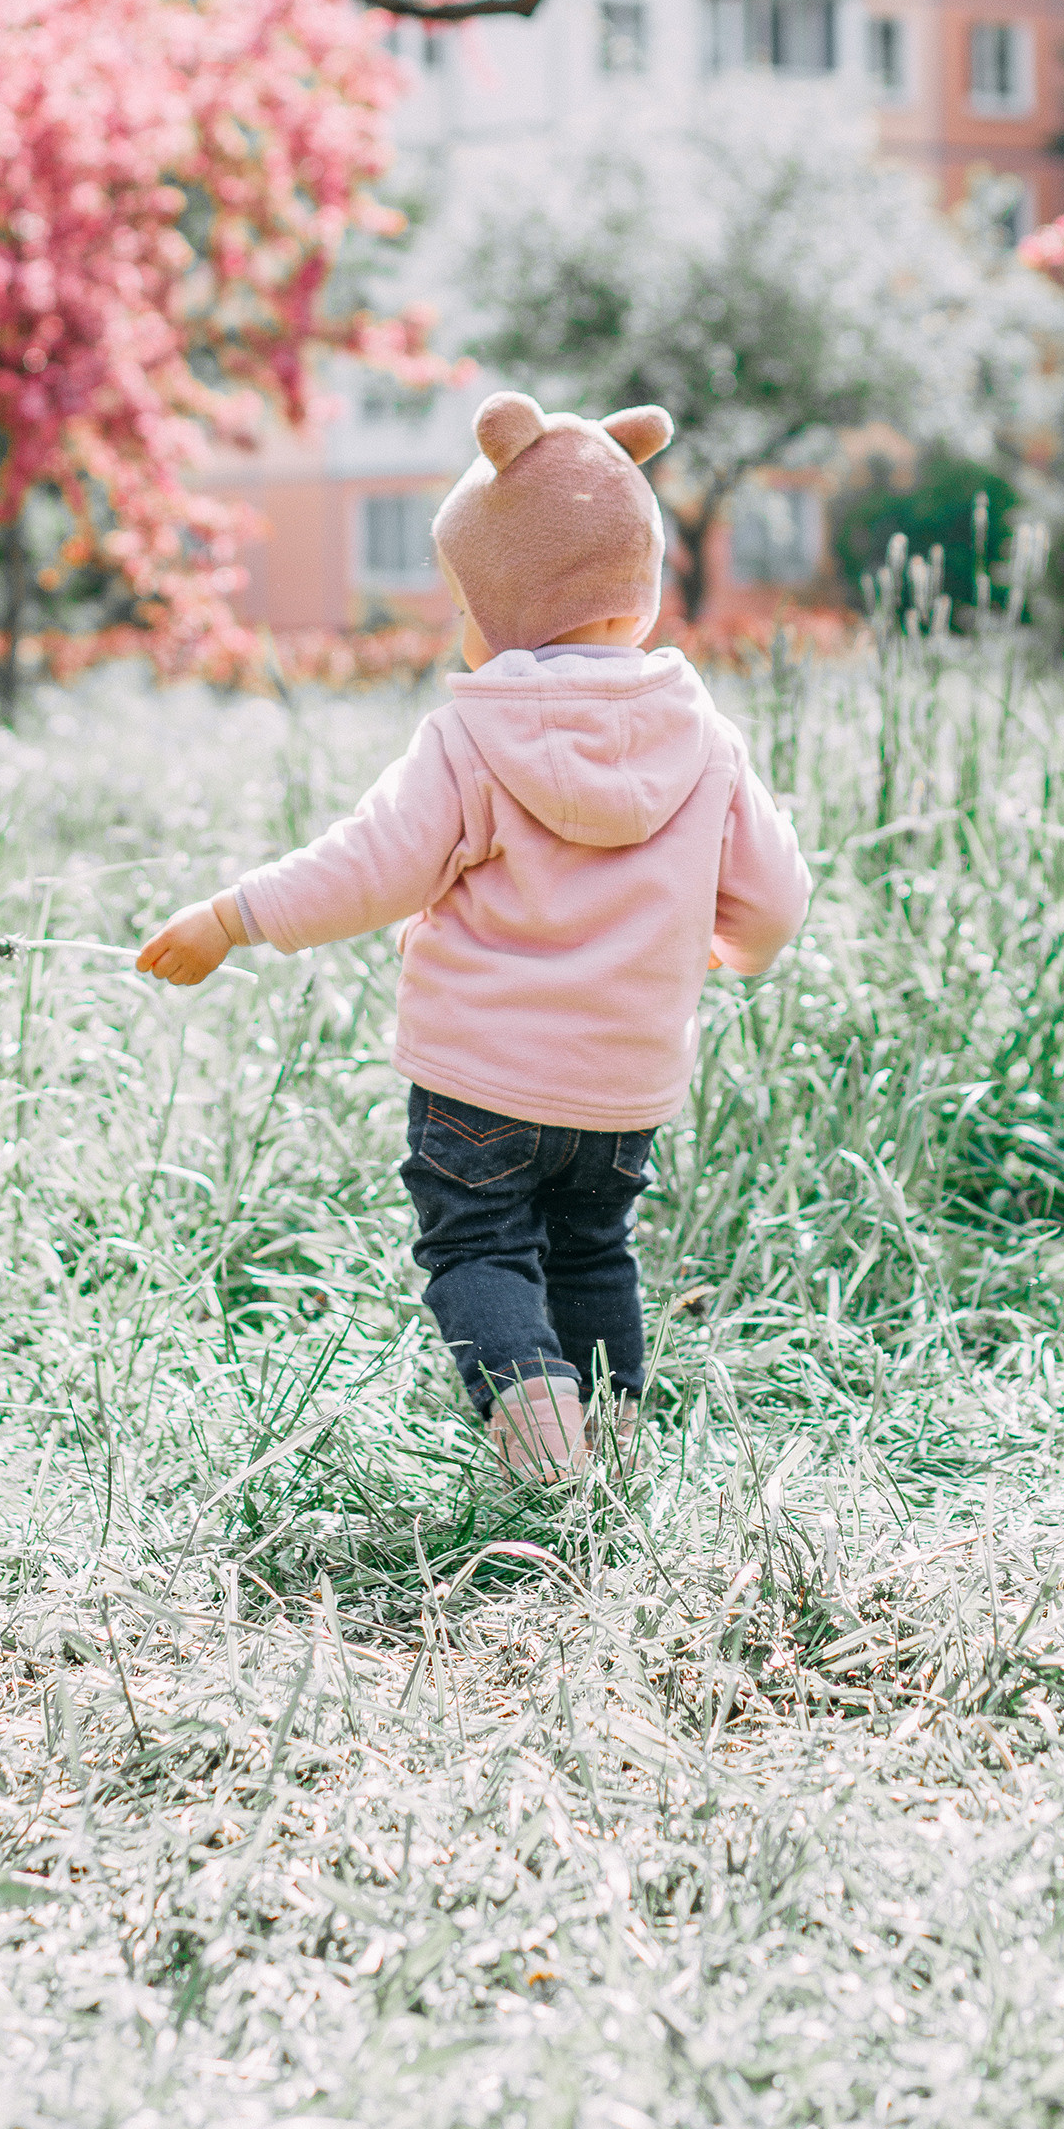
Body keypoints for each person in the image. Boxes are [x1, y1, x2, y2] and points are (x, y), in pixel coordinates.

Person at [136, 391, 810, 1481]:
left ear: (510, 601)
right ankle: (613, 1446)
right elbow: (775, 896)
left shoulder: (473, 736)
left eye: (464, 602)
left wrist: (233, 915)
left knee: (476, 1250)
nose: (460, 627)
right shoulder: (706, 740)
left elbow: (367, 866)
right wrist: (731, 950)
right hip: (624, 1080)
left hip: (480, 1080)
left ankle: (544, 1454)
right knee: (594, 1252)